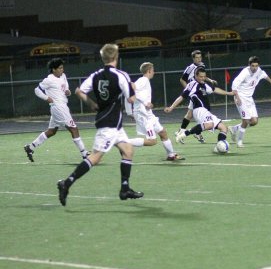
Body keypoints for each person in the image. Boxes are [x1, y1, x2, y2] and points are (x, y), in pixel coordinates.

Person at [57, 43, 144, 206]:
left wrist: (90, 103)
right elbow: (131, 99)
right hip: (109, 123)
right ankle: (66, 183)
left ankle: (125, 189)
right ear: (116, 57)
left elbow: (79, 91)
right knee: (95, 157)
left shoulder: (95, 75)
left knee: (128, 150)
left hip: (111, 122)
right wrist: (133, 88)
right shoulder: (121, 75)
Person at [24, 58, 89, 162]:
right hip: (58, 107)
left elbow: (65, 86)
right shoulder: (49, 80)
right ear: (53, 69)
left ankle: (30, 147)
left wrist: (67, 91)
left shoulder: (63, 76)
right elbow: (37, 90)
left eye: (62, 68)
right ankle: (85, 154)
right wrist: (46, 98)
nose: (62, 70)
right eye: (60, 68)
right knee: (74, 129)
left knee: (52, 131)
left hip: (61, 106)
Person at [164, 66, 239, 149]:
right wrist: (171, 107)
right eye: (200, 76)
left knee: (223, 128)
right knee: (209, 124)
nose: (203, 78)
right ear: (195, 76)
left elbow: (214, 89)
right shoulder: (192, 84)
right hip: (199, 110)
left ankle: (218, 147)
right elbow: (182, 97)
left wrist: (229, 93)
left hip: (206, 111)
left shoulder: (203, 84)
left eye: (204, 76)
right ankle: (185, 133)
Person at [127, 62, 184, 161]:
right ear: (149, 70)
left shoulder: (145, 81)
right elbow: (131, 86)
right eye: (153, 70)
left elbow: (135, 91)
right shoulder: (143, 80)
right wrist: (145, 103)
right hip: (143, 114)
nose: (154, 72)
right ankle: (123, 142)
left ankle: (171, 155)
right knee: (152, 141)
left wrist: (145, 104)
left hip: (147, 114)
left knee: (163, 132)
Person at [228, 56, 271, 147]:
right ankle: (239, 141)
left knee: (254, 121)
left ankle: (234, 128)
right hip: (240, 97)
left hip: (249, 98)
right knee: (246, 120)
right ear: (249, 65)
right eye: (253, 66)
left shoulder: (259, 70)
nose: (254, 68)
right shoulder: (245, 73)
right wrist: (237, 98)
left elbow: (265, 75)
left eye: (256, 66)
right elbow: (234, 84)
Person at [176, 49, 217, 143]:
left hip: (199, 92)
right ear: (193, 59)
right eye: (197, 58)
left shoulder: (202, 65)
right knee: (195, 112)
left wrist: (210, 80)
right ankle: (193, 133)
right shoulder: (190, 68)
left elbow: (202, 76)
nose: (199, 59)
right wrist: (189, 90)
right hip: (194, 93)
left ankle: (183, 132)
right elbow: (182, 79)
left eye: (200, 57)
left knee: (190, 114)